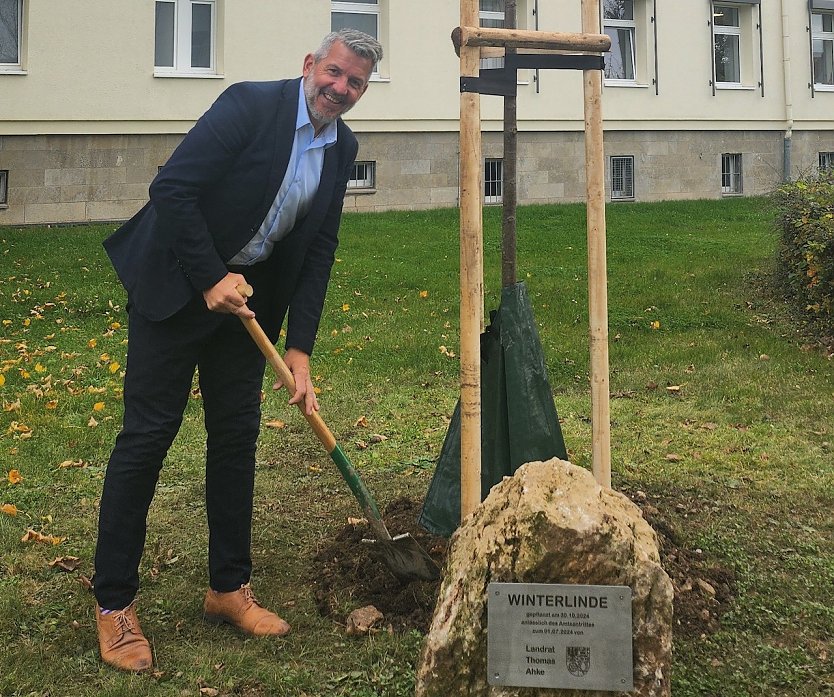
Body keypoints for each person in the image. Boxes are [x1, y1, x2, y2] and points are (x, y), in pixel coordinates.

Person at [92, 29, 383, 672]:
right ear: (310, 65)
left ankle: (228, 587)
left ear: (363, 90)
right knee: (147, 437)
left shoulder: (343, 149)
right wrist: (208, 278)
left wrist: (300, 350)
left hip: (244, 306)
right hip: (176, 286)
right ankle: (114, 603)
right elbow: (173, 190)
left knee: (235, 438)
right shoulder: (249, 106)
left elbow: (318, 251)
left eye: (354, 82)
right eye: (333, 72)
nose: (340, 88)